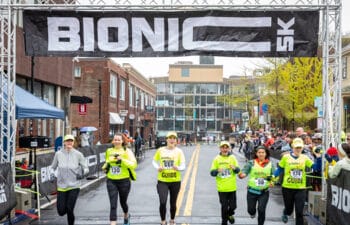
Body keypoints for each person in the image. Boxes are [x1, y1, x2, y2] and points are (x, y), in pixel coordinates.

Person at [274, 137, 321, 225]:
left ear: (302, 148)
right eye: (297, 147)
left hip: (301, 188)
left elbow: (316, 168)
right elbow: (280, 169)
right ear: (292, 147)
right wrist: (273, 176)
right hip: (287, 187)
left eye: (300, 147)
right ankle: (286, 212)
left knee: (299, 212)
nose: (298, 149)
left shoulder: (305, 158)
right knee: (289, 210)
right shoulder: (286, 157)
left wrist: (318, 158)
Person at [51, 134, 89, 225]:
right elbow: (53, 167)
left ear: (73, 142)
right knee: (61, 211)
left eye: (71, 141)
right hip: (61, 186)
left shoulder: (78, 154)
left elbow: (86, 168)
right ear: (64, 142)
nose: (69, 142)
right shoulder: (58, 154)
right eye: (67, 141)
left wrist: (82, 173)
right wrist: (52, 173)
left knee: (69, 208)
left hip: (74, 186)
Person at [102, 133, 137, 225]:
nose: (117, 141)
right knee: (113, 203)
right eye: (115, 139)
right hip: (111, 180)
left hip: (124, 181)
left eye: (119, 139)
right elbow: (107, 162)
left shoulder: (127, 151)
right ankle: (113, 222)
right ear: (113, 141)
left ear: (122, 141)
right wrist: (105, 167)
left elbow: (134, 165)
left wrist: (122, 160)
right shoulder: (109, 151)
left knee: (123, 202)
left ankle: (126, 214)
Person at [152, 131, 186, 225]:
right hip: (162, 181)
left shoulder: (179, 151)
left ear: (176, 141)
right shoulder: (160, 150)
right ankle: (163, 221)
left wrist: (178, 168)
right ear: (166, 139)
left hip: (175, 181)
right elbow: (154, 161)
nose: (172, 140)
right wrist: (158, 167)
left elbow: (183, 166)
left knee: (173, 203)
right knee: (163, 202)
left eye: (174, 138)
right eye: (170, 138)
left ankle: (172, 220)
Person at [238, 146, 275, 225]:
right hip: (252, 191)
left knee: (261, 209)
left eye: (263, 152)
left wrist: (272, 182)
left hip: (264, 191)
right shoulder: (251, 163)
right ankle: (252, 213)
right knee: (250, 210)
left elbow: (275, 175)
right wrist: (242, 175)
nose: (261, 154)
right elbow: (244, 172)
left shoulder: (270, 164)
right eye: (259, 152)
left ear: (266, 154)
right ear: (256, 153)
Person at [210, 141, 240, 225]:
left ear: (229, 148)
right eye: (223, 147)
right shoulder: (216, 159)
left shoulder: (233, 158)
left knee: (233, 206)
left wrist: (234, 168)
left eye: (226, 147)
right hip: (222, 188)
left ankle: (230, 214)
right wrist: (217, 170)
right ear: (220, 148)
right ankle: (224, 222)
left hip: (232, 187)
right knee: (224, 207)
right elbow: (212, 173)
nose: (225, 149)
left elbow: (238, 170)